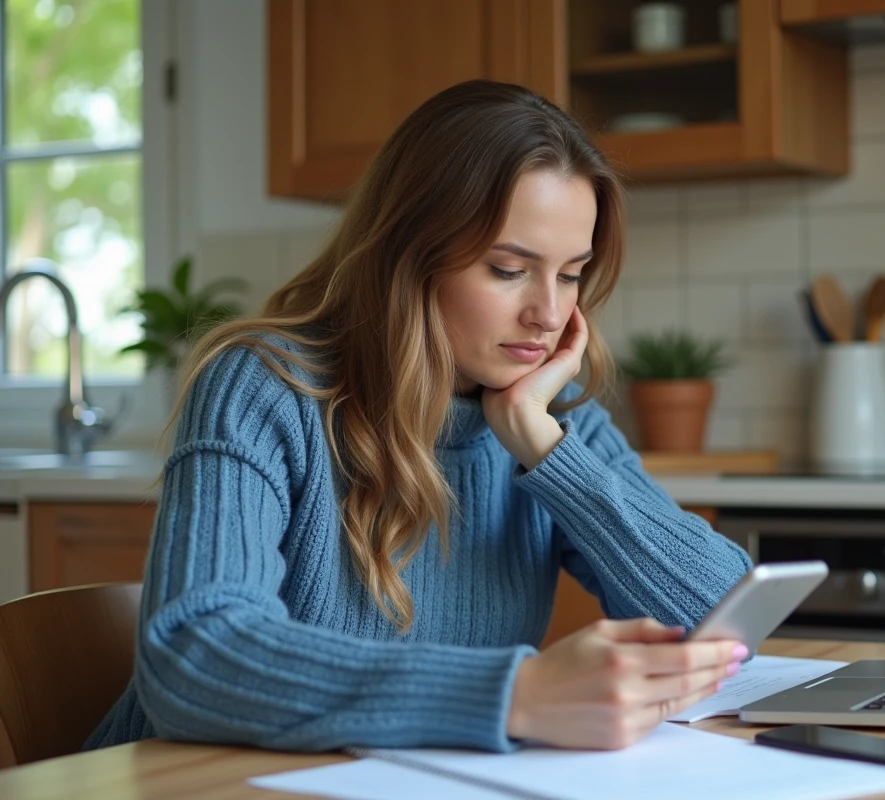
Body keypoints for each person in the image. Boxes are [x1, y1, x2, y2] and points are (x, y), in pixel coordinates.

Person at [84, 79, 753, 755]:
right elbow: (194, 656)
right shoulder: (264, 387)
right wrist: (516, 694)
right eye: (507, 269)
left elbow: (722, 618)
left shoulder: (546, 418)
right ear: (409, 253)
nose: (549, 314)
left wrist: (550, 452)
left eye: (571, 273)